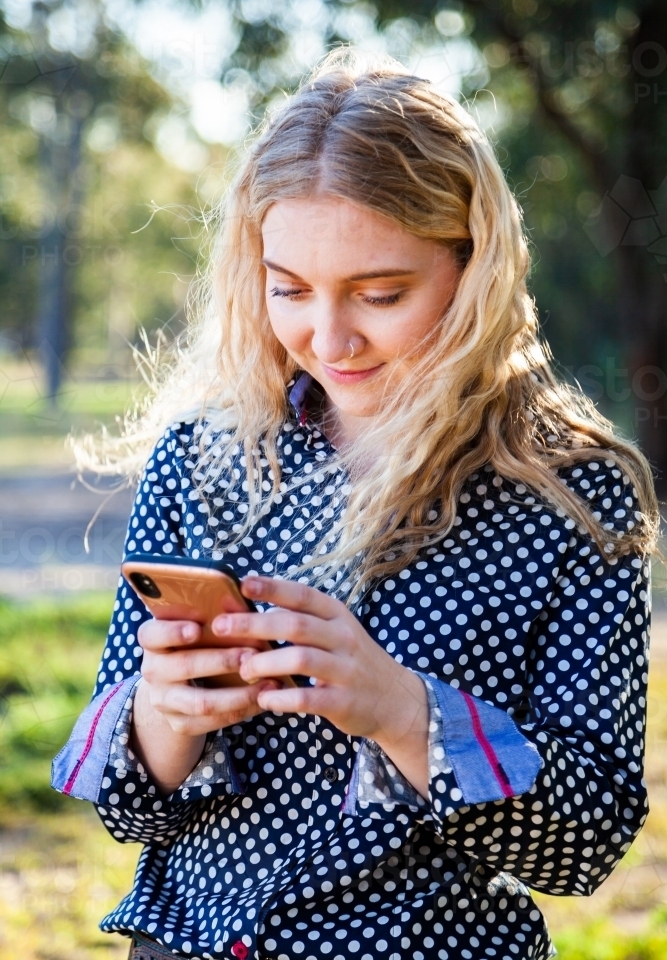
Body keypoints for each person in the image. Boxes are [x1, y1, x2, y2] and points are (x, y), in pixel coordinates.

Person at [53, 48, 658, 960]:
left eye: (380, 294)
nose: (328, 338)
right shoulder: (203, 460)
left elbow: (586, 844)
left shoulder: (572, 496)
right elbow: (124, 808)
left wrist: (399, 709)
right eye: (288, 289)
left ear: (475, 267)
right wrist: (164, 716)